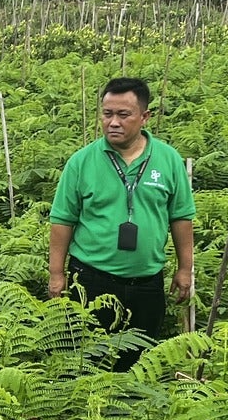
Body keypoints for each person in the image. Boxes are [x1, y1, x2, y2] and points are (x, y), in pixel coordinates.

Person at [48, 77, 196, 367]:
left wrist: (184, 268)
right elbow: (63, 220)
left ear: (144, 117)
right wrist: (56, 274)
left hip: (147, 282)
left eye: (123, 115)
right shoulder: (82, 162)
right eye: (107, 114)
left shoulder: (167, 160)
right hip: (90, 279)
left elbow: (181, 217)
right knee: (88, 362)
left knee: (139, 365)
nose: (113, 122)